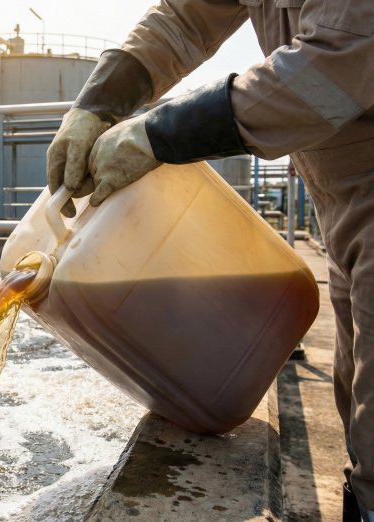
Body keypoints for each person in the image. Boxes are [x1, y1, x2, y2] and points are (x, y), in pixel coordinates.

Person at [46, 0, 374, 518]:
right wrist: (97, 103)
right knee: (357, 394)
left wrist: (159, 133)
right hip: (338, 199)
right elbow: (184, 18)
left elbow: (342, 57)